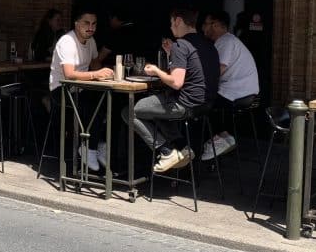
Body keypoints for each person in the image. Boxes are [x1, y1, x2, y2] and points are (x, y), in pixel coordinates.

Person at [123, 9, 219, 172]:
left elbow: (176, 82)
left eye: (171, 23)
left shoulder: (181, 44)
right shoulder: (207, 44)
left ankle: (166, 151)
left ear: (178, 21)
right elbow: (190, 71)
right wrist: (170, 54)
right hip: (205, 104)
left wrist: (155, 71)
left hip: (184, 104)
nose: (171, 28)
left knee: (129, 111)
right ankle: (183, 147)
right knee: (154, 110)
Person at [48, 9, 113, 171]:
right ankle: (89, 148)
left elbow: (94, 62)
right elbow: (69, 74)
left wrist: (104, 75)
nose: (91, 27)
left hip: (81, 88)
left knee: (112, 100)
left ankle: (98, 144)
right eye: (86, 23)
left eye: (94, 24)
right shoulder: (67, 42)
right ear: (76, 24)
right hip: (61, 89)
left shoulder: (90, 41)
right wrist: (95, 74)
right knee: (93, 103)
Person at [201, 10, 260, 160]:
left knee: (201, 101)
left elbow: (217, 71)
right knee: (207, 98)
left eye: (205, 24)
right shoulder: (228, 40)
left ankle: (220, 138)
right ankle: (222, 137)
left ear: (214, 24)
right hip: (245, 91)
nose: (203, 28)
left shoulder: (225, 41)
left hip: (238, 92)